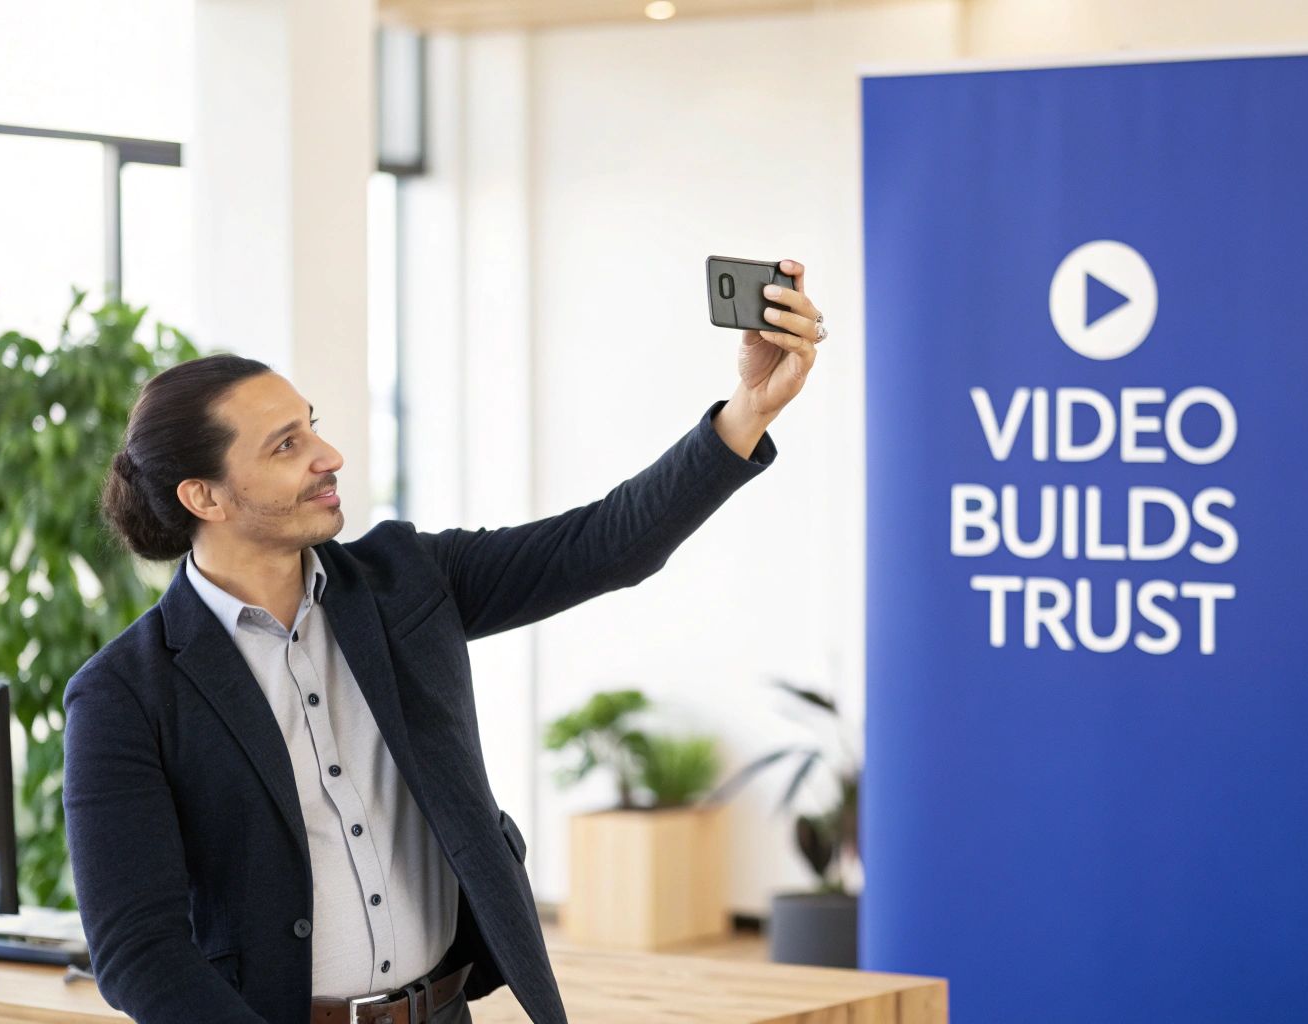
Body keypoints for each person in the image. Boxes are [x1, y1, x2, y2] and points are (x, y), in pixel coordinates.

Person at [62, 261, 826, 1024]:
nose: (329, 457)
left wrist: (746, 414)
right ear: (204, 496)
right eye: (286, 446)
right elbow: (139, 952)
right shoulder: (124, 693)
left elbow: (604, 545)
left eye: (314, 426)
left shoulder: (407, 580)